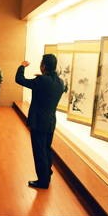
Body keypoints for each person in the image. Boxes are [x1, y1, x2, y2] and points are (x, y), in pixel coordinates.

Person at [15, 54, 64, 189]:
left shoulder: (42, 81)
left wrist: (22, 66)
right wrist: (42, 79)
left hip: (39, 121)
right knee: (47, 148)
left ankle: (43, 181)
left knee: (39, 151)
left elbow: (19, 79)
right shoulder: (60, 82)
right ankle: (47, 172)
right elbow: (48, 87)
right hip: (50, 121)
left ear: (43, 66)